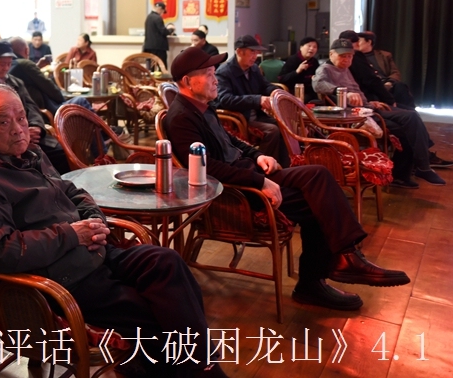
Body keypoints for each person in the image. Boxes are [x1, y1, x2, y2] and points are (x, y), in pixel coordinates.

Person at [0, 84, 224, 377]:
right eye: (4, 122)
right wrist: (72, 234)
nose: (18, 129)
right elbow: (2, 250)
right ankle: (205, 371)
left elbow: (72, 191)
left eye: (21, 117)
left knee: (165, 262)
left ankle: (198, 366)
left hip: (94, 253)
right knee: (157, 314)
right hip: (60, 280)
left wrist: (95, 223)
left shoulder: (31, 154)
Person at [163, 48, 410, 312]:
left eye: (215, 73)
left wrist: (258, 155)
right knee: (317, 204)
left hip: (250, 173)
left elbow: (231, 140)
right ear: (187, 81)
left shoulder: (202, 107)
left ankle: (346, 256)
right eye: (209, 74)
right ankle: (319, 279)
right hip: (237, 192)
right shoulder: (181, 118)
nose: (216, 80)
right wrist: (259, 182)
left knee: (318, 174)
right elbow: (206, 168)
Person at [312, 38, 444, 188]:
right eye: (342, 56)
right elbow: (318, 84)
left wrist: (370, 102)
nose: (347, 59)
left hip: (368, 108)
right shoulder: (326, 69)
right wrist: (342, 92)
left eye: (350, 56)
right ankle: (423, 167)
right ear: (331, 54)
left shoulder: (345, 69)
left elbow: (359, 94)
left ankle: (402, 175)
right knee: (410, 118)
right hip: (357, 115)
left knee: (410, 120)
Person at [0, 41, 70, 174]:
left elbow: (31, 106)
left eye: (9, 63)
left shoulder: (16, 81)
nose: (6, 68)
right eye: (2, 64)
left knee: (60, 152)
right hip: (1, 139)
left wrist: (35, 127)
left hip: (26, 133)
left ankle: (54, 184)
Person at [215, 35, 288, 166]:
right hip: (240, 118)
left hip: (257, 115)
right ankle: (260, 165)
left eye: (256, 52)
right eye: (252, 51)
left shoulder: (254, 68)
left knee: (284, 125)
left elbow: (265, 85)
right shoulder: (224, 72)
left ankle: (283, 165)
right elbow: (225, 100)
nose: (255, 56)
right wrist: (257, 99)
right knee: (272, 131)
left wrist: (276, 92)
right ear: (239, 51)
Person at [355, 31, 416, 109]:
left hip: (386, 83)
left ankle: (410, 111)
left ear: (369, 42)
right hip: (372, 85)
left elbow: (395, 72)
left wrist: (389, 83)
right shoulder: (356, 57)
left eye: (359, 41)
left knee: (400, 87)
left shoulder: (384, 55)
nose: (357, 44)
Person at [277, 36, 320, 102]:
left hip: (311, 92)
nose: (312, 49)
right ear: (301, 47)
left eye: (315, 47)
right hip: (294, 92)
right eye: (309, 46)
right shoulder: (292, 60)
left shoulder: (314, 61)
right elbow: (282, 79)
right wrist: (297, 71)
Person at [142, 1, 172, 66]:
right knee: (161, 65)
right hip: (158, 47)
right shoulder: (158, 18)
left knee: (151, 66)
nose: (162, 14)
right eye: (163, 11)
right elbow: (163, 31)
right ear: (161, 9)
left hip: (149, 47)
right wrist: (170, 30)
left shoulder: (149, 17)